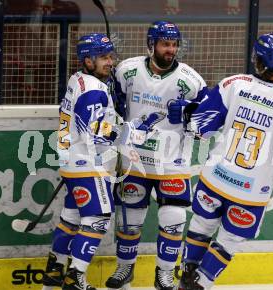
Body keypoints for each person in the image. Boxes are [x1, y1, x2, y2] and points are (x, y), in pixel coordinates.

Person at [171, 33, 273, 289]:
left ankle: (187, 275)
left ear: (258, 61)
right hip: (251, 192)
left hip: (215, 179)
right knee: (228, 242)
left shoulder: (234, 84)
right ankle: (200, 283)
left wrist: (186, 111)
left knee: (201, 226)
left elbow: (199, 127)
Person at [105, 21, 209, 290]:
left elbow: (208, 120)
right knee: (129, 219)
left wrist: (190, 111)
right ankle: (124, 268)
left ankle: (164, 273)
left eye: (174, 44)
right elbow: (112, 104)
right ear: (151, 44)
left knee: (173, 220)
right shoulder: (126, 71)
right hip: (133, 160)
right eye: (165, 44)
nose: (170, 49)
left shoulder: (191, 80)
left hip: (172, 163)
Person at [41, 33, 145, 290]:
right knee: (98, 218)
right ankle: (75, 276)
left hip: (72, 162)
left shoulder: (77, 80)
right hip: (89, 165)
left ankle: (54, 272)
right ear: (87, 61)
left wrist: (110, 106)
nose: (110, 62)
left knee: (71, 218)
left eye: (111, 57)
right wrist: (131, 130)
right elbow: (96, 132)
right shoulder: (95, 90)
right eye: (103, 58)